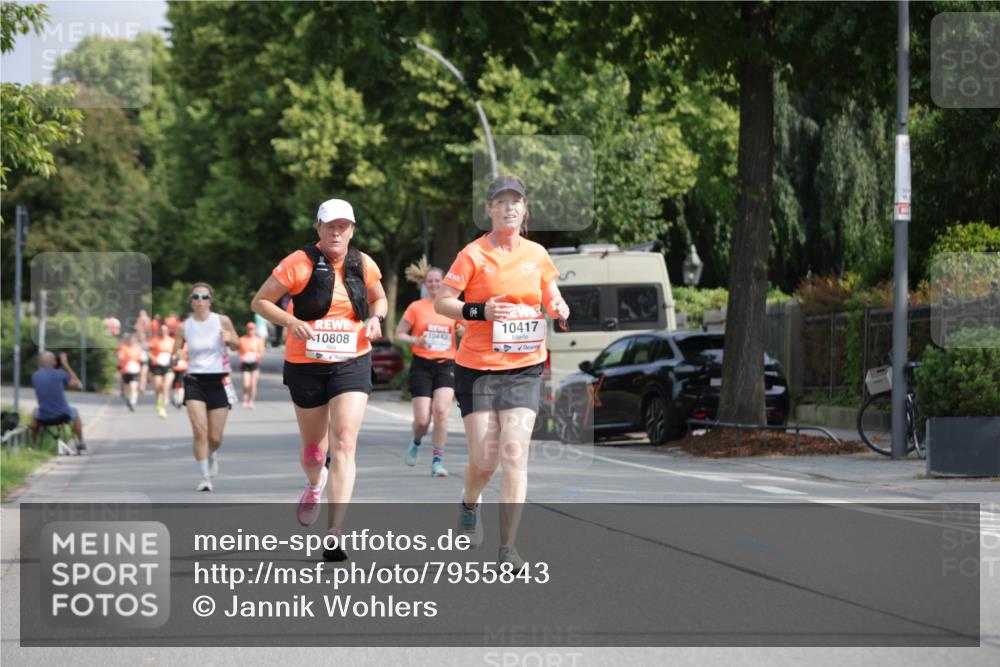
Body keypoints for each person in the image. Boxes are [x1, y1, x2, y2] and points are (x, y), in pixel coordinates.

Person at [435, 175, 569, 572]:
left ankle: (507, 547)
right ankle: (469, 502)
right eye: (501, 202)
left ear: (525, 209)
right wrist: (480, 311)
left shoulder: (537, 253)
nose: (509, 207)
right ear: (489, 209)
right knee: (485, 459)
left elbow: (550, 293)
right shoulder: (472, 254)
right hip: (477, 369)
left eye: (517, 202)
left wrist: (560, 307)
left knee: (514, 452)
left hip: (525, 366)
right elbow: (444, 303)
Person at [251, 197, 387, 561]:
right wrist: (290, 321)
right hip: (306, 362)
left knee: (344, 440)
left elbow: (380, 299)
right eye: (330, 226)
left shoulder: (363, 263)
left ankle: (335, 532)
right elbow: (260, 302)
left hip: (353, 360)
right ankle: (315, 483)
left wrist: (376, 319)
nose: (336, 232)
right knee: (315, 451)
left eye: (343, 226)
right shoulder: (298, 263)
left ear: (352, 229)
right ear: (319, 229)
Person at [395, 258, 464, 477]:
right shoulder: (416, 307)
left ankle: (437, 461)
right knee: (423, 420)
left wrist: (463, 331)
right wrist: (416, 341)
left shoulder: (453, 305)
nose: (434, 284)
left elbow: (465, 329)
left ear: (444, 283)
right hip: (422, 365)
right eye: (430, 281)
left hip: (446, 364)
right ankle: (416, 442)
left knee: (441, 411)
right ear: (425, 284)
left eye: (438, 281)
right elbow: (398, 334)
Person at [172, 282, 240, 492]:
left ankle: (211, 453)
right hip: (194, 381)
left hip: (218, 380)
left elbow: (237, 345)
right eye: (195, 297)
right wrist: (177, 355)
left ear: (210, 300)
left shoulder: (222, 321)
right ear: (191, 301)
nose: (199, 301)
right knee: (199, 429)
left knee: (215, 437)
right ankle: (204, 477)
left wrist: (230, 339)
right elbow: (175, 353)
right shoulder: (184, 327)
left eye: (204, 297)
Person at [31, 352, 86, 454]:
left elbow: (42, 370)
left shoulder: (35, 376)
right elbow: (78, 385)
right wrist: (66, 364)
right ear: (54, 362)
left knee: (35, 411)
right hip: (63, 415)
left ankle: (33, 444)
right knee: (75, 411)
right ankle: (81, 442)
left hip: (44, 416)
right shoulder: (61, 374)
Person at [149, 324, 175, 418]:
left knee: (165, 385)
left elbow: (177, 353)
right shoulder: (154, 340)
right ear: (159, 331)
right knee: (157, 386)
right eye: (161, 330)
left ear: (167, 331)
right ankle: (159, 400)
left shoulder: (172, 341)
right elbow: (149, 352)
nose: (163, 331)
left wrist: (175, 359)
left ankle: (164, 403)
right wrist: (154, 358)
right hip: (157, 366)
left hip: (168, 365)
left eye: (165, 330)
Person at [238, 322, 265, 408]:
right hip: (245, 363)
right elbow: (239, 352)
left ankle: (251, 400)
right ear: (247, 329)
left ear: (255, 330)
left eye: (252, 329)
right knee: (246, 383)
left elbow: (261, 352)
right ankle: (245, 394)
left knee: (253, 383)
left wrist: (256, 356)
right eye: (249, 329)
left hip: (254, 363)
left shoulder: (258, 340)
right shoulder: (242, 339)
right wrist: (242, 358)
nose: (251, 331)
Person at [116, 334, 144, 411]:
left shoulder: (138, 349)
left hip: (135, 370)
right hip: (126, 370)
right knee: (127, 387)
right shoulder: (123, 348)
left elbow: (142, 359)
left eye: (132, 340)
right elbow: (119, 356)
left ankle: (133, 401)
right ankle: (129, 399)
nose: (131, 342)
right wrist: (120, 357)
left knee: (133, 386)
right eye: (129, 340)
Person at [171, 342, 189, 408]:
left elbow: (188, 355)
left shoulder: (188, 345)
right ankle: (176, 398)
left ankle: (180, 400)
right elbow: (173, 355)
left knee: (181, 384)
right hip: (175, 368)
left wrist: (184, 356)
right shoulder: (175, 344)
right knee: (175, 384)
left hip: (183, 367)